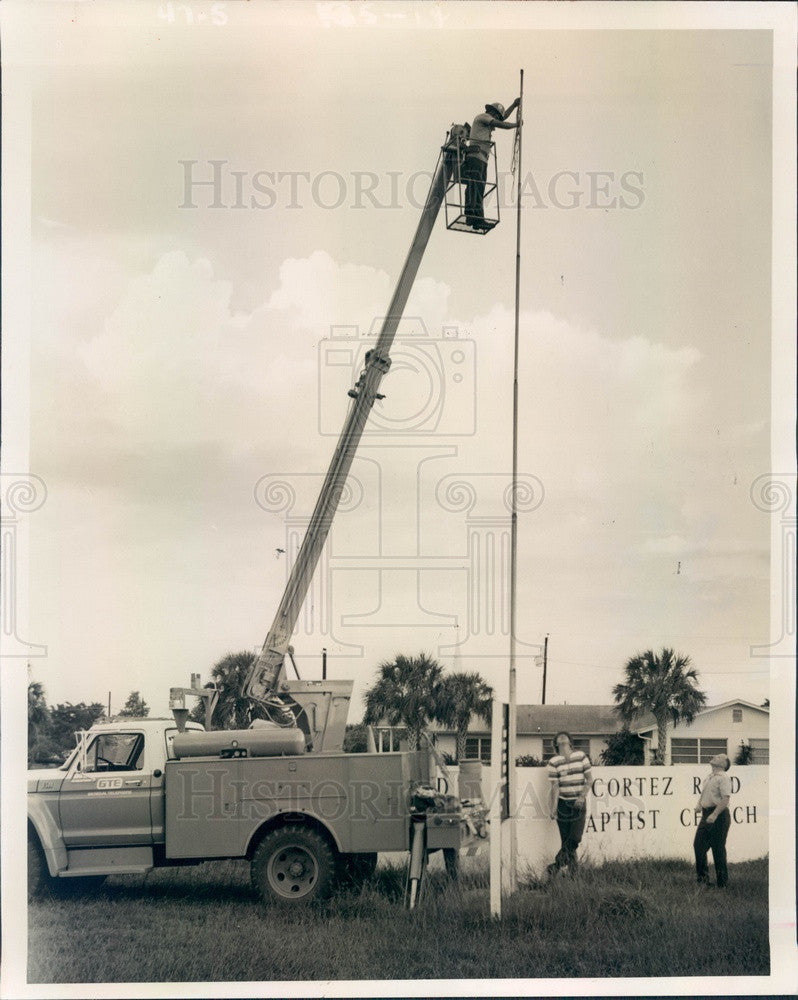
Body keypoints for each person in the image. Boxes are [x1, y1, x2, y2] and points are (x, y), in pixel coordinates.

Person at [462, 98, 520, 229]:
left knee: (479, 188)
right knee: (475, 187)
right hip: (475, 157)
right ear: (492, 113)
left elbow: (502, 119)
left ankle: (476, 219)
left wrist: (514, 105)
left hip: (481, 159)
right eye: (497, 116)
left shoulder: (488, 120)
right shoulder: (483, 117)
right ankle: (473, 217)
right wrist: (516, 125)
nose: (494, 128)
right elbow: (502, 124)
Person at [546, 730, 592, 876]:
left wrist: (581, 797)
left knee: (575, 839)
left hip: (579, 804)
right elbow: (555, 788)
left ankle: (555, 866)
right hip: (563, 806)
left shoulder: (581, 756)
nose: (562, 736)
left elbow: (589, 780)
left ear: (570, 742)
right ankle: (574, 877)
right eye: (559, 737)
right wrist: (553, 809)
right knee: (566, 842)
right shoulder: (553, 762)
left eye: (565, 736)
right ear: (556, 744)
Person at [693, 752, 732, 888]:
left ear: (723, 764)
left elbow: (725, 799)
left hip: (719, 816)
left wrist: (714, 814)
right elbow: (705, 794)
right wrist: (699, 805)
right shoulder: (710, 777)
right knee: (698, 846)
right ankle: (703, 881)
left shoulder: (724, 778)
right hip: (707, 814)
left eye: (719, 756)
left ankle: (722, 884)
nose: (715, 756)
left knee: (718, 849)